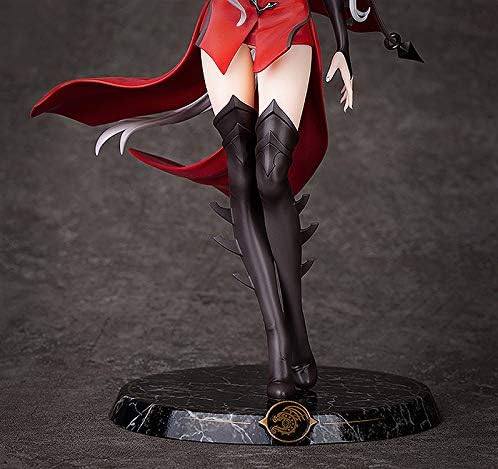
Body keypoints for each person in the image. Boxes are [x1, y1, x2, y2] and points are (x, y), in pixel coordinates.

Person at [31, 0, 422, 399]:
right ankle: (277, 340)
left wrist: (342, 46)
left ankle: (296, 327)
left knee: (271, 174)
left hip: (286, 20)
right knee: (241, 170)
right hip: (226, 23)